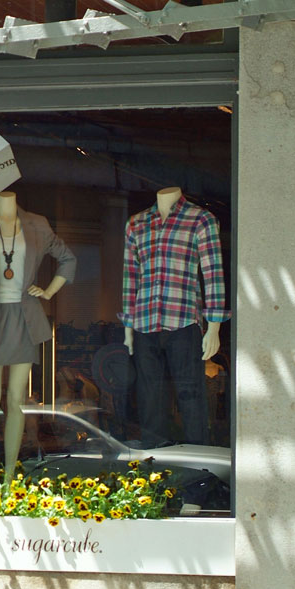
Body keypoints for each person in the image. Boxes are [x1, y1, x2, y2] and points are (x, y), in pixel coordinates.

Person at [0, 190, 76, 478]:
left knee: (16, 401)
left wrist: (48, 291)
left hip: (24, 319)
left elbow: (68, 259)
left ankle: (9, 479)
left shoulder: (37, 224)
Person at [120, 186, 230, 446]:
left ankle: (197, 461)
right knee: (149, 398)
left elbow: (213, 272)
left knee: (190, 395)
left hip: (183, 321)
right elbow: (130, 276)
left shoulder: (200, 219)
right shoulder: (136, 223)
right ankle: (154, 460)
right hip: (144, 323)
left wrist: (214, 326)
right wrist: (128, 327)